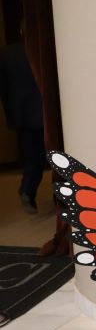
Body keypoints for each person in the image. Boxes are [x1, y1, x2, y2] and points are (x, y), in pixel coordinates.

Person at [0, 40, 45, 214]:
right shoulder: (42, 49)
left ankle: (27, 190)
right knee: (53, 152)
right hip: (45, 110)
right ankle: (60, 195)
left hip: (20, 114)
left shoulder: (5, 54)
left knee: (31, 154)